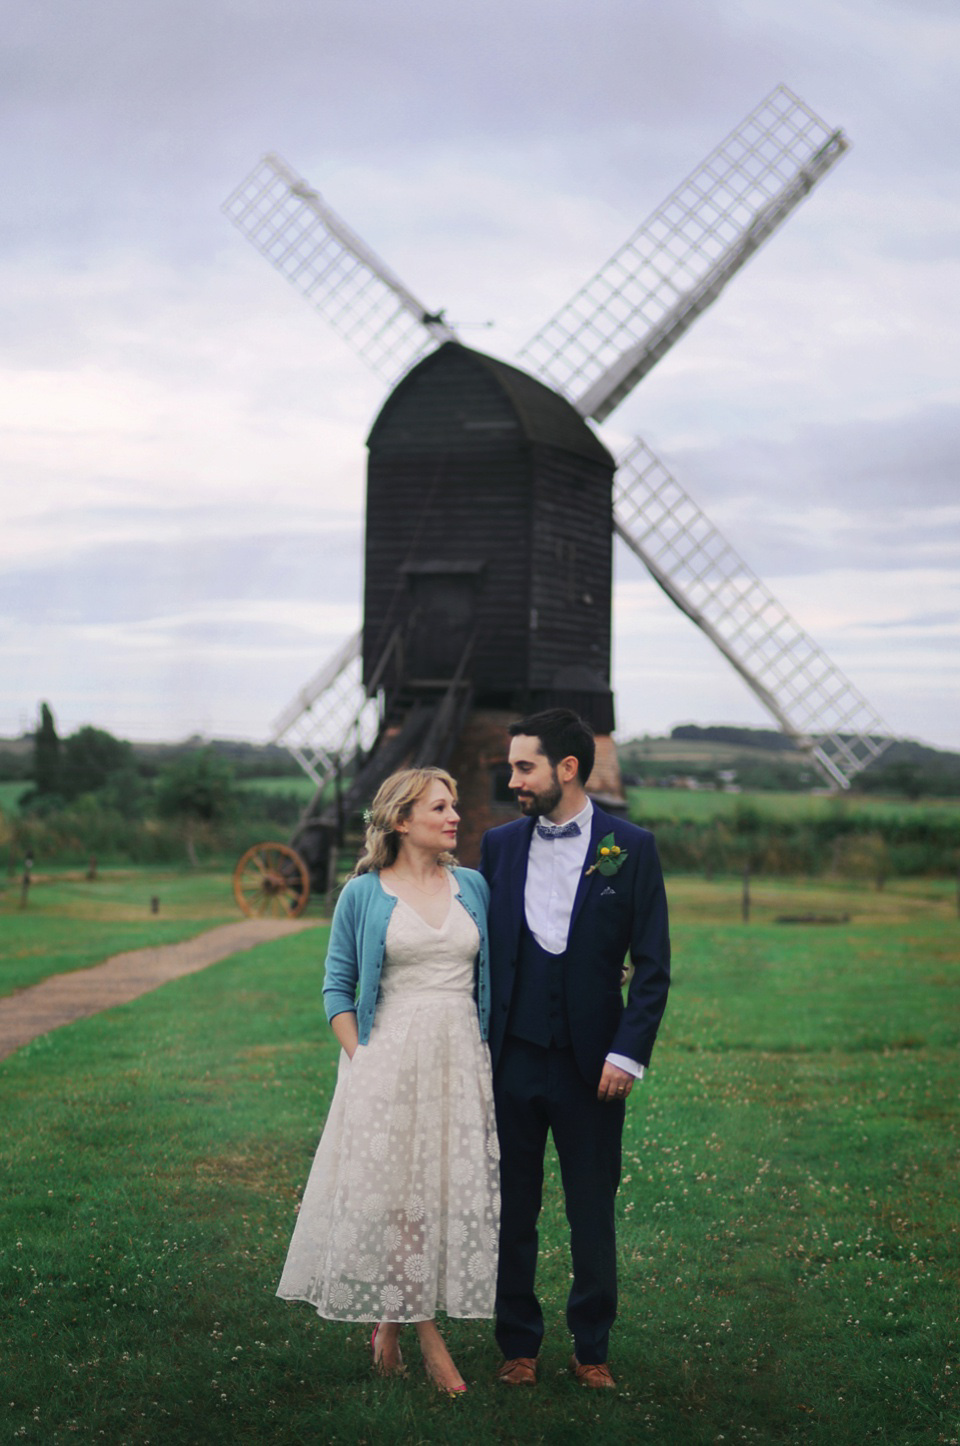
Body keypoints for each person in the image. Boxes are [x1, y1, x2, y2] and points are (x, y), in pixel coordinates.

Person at [277, 767, 499, 1395]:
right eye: (439, 806)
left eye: (455, 804)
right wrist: (362, 1059)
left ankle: (389, 1326)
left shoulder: (474, 887)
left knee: (434, 1197)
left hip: (458, 1061)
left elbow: (500, 970)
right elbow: (336, 987)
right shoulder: (364, 894)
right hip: (387, 1063)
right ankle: (430, 1337)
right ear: (402, 821)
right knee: (397, 1200)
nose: (455, 815)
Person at [479, 708, 670, 1390]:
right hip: (514, 1059)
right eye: (511, 767)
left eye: (523, 766)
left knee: (591, 1208)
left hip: (595, 1068)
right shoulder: (498, 847)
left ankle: (592, 1349)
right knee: (513, 1208)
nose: (513, 779)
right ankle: (518, 1344)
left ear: (566, 769)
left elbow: (652, 967)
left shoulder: (630, 847)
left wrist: (627, 1054)